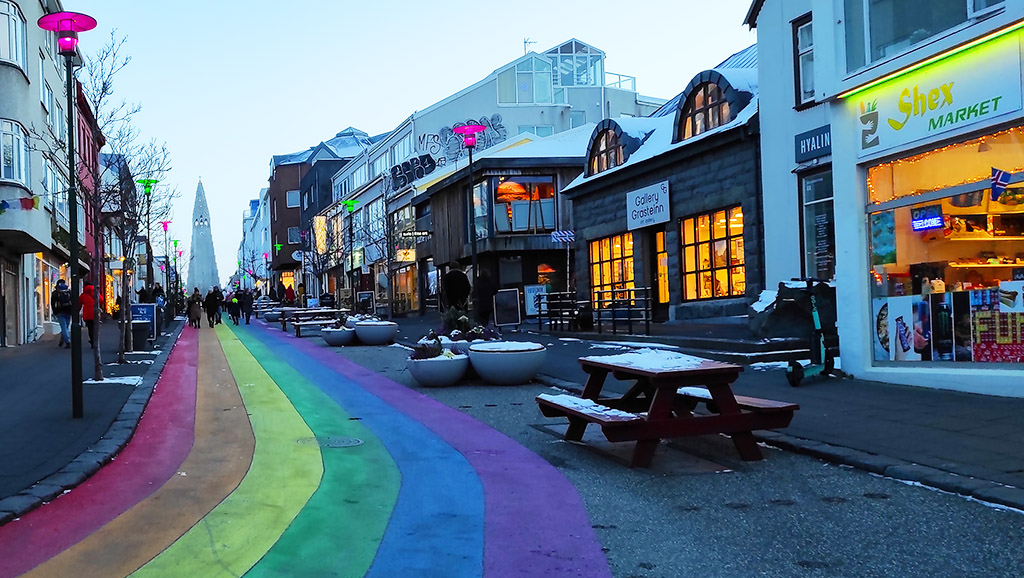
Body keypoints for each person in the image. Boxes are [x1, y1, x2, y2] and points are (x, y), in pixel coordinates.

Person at [51, 279, 73, 349]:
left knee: (63, 327)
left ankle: (67, 342)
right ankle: (63, 340)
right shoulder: (69, 292)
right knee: (66, 327)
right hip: (68, 311)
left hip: (59, 311)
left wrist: (54, 311)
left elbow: (53, 303)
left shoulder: (55, 293)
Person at [79, 284, 97, 348]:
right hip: (95, 313)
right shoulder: (95, 293)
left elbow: (79, 304)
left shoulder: (83, 295)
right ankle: (95, 340)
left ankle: (92, 340)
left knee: (90, 328)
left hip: (87, 315)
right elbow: (102, 300)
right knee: (95, 328)